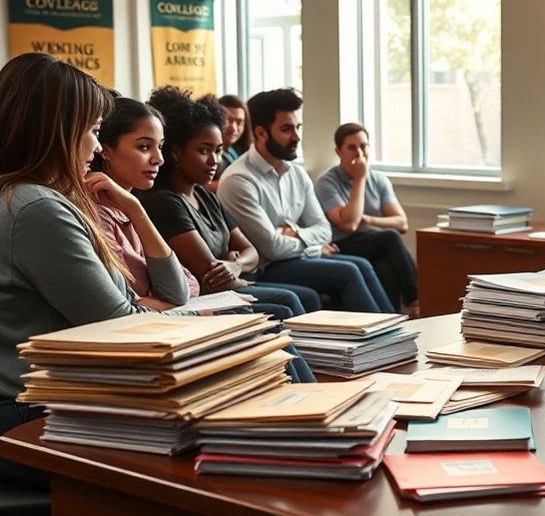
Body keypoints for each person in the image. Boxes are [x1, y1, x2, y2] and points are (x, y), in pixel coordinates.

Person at [0, 53, 152, 488]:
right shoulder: (35, 207)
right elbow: (121, 326)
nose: (97, 147)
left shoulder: (27, 197)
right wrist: (197, 322)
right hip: (30, 407)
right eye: (92, 131)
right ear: (58, 132)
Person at [142, 86, 317, 383]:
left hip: (228, 288)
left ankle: (310, 386)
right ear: (175, 152)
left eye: (219, 150)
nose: (214, 160)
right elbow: (209, 274)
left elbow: (250, 252)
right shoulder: (164, 200)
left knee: (293, 298)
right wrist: (236, 266)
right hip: (202, 301)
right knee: (286, 301)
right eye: (204, 150)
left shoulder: (205, 195)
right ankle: (302, 391)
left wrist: (235, 264)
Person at [217, 88, 395, 313]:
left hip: (290, 258)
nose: (297, 137)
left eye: (298, 127)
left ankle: (398, 336)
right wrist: (313, 246)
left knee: (361, 264)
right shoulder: (239, 180)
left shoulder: (297, 173)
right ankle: (383, 346)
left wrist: (292, 232)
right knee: (348, 272)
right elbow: (272, 249)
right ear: (261, 133)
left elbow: (324, 231)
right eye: (286, 129)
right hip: (264, 268)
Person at [92, 95, 198, 310]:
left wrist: (135, 209)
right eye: (144, 147)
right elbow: (130, 300)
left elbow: (188, 285)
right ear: (106, 150)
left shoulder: (131, 206)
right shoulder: (97, 213)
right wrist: (166, 304)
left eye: (160, 146)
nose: (158, 158)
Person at [315, 122, 419, 317]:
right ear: (338, 151)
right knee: (389, 237)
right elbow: (349, 224)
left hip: (373, 243)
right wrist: (359, 179)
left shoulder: (379, 179)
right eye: (352, 147)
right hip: (340, 244)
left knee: (386, 267)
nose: (359, 152)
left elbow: (402, 223)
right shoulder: (327, 182)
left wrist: (370, 220)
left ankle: (391, 321)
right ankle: (415, 299)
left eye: (363, 146)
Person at [208, 94, 251, 191]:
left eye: (239, 122)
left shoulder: (234, 151)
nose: (233, 128)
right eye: (228, 120)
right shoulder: (209, 154)